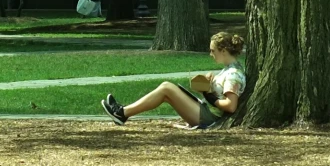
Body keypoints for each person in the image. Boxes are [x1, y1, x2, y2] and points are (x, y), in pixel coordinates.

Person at [103, 31, 247, 128]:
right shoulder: (229, 70)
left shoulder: (233, 74)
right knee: (166, 91)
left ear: (223, 51)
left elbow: (230, 106)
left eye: (212, 51)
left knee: (167, 87)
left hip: (211, 119)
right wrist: (207, 86)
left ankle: (122, 113)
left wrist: (209, 96)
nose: (210, 54)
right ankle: (122, 112)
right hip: (206, 112)